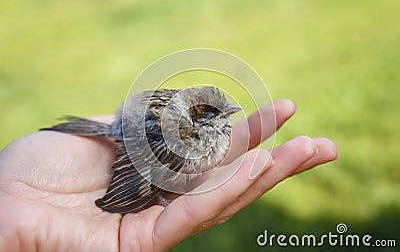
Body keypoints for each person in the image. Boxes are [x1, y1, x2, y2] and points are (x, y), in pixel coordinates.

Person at [0, 99, 338, 251]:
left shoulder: (199, 125)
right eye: (216, 114)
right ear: (198, 118)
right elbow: (141, 169)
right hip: (135, 135)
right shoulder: (179, 140)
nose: (228, 117)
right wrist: (148, 192)